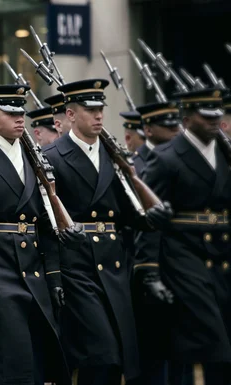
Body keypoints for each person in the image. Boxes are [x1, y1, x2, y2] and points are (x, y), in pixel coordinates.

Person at [42, 79, 173, 385]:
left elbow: (126, 213)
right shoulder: (52, 156)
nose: (98, 115)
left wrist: (150, 217)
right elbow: (47, 219)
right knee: (101, 354)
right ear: (71, 115)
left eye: (100, 109)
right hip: (78, 267)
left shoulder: (111, 155)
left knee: (117, 361)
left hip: (114, 265)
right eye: (90, 110)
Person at [0, 84, 83, 385]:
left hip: (34, 270)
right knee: (8, 357)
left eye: (22, 112)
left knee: (38, 355)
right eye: (10, 113)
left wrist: (54, 276)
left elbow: (45, 224)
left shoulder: (34, 157)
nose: (20, 119)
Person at [140, 88, 231, 385]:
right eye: (206, 117)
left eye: (217, 115)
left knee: (224, 342)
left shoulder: (226, 154)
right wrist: (150, 272)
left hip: (223, 258)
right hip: (184, 259)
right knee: (207, 342)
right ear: (188, 118)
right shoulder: (166, 158)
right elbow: (150, 220)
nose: (215, 122)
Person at [127, 101, 182, 385]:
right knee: (153, 351)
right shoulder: (137, 164)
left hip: (179, 263)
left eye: (177, 125)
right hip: (149, 265)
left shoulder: (179, 159)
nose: (175, 131)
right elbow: (143, 224)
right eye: (168, 126)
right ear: (148, 129)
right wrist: (147, 268)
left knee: (180, 349)